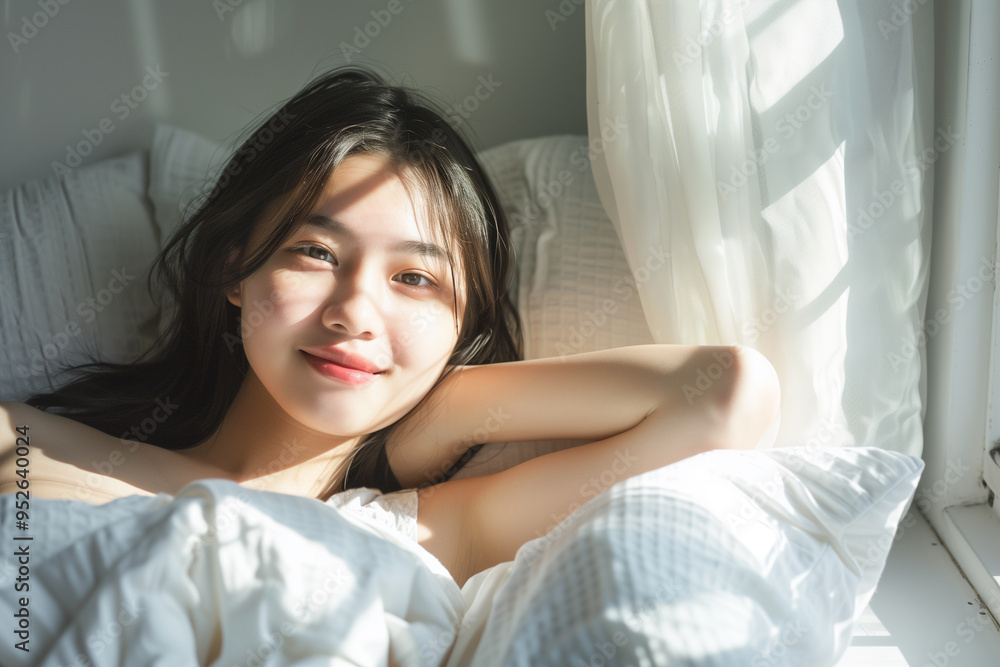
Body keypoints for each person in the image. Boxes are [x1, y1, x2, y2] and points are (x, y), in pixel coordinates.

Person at [0, 66, 780, 588]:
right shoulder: (29, 445)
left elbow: (721, 394)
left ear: (462, 324)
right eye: (315, 251)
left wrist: (432, 413)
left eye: (416, 279)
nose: (353, 313)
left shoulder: (435, 530)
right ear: (237, 268)